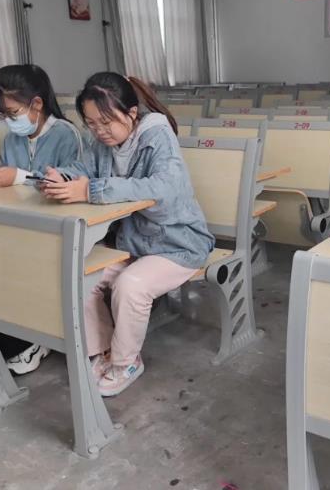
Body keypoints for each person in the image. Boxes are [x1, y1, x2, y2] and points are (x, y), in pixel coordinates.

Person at [41, 72, 214, 397]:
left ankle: (126, 362)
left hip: (176, 244)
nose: (99, 131)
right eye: (91, 124)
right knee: (81, 276)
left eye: (106, 122)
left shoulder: (157, 135)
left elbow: (165, 189)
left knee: (130, 285)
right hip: (131, 242)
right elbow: (82, 169)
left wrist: (91, 190)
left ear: (132, 113)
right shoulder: (102, 142)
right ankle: (103, 349)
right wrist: (60, 177)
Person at [0, 64, 83, 375]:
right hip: (17, 223)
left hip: (56, 227)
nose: (9, 121)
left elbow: (71, 184)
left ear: (36, 104)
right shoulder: (12, 139)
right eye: (4, 115)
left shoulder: (65, 135)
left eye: (13, 113)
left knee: (6, 264)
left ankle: (27, 342)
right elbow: (8, 185)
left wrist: (18, 177)